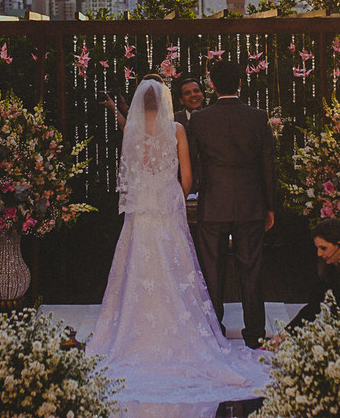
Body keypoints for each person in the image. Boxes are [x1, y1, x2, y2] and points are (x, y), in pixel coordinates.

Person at [85, 79, 268, 405]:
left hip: (141, 210)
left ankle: (134, 332)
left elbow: (128, 177)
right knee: (176, 266)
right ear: (167, 100)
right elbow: (186, 177)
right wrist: (174, 198)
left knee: (139, 269)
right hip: (167, 206)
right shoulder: (177, 130)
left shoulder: (132, 132)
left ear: (141, 104)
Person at [189, 59, 277, 349]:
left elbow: (192, 163)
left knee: (212, 271)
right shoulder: (258, 116)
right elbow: (268, 166)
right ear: (240, 82)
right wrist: (270, 206)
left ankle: (215, 332)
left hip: (213, 203)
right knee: (250, 268)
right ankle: (255, 333)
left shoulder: (200, 119)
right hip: (251, 203)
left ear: (212, 85)